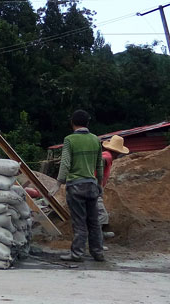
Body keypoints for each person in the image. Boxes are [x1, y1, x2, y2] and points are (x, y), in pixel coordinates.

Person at [56, 109, 105, 262]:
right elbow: (99, 165)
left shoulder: (69, 140)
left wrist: (59, 182)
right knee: (94, 221)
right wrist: (100, 184)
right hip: (92, 185)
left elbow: (65, 163)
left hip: (76, 186)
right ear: (87, 123)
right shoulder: (96, 140)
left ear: (72, 123)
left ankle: (77, 254)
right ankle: (98, 252)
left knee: (79, 222)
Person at [97, 135, 130, 238]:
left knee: (96, 214)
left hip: (94, 186)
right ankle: (96, 239)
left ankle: (98, 235)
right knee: (102, 215)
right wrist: (98, 183)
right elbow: (99, 163)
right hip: (94, 187)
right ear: (117, 152)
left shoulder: (106, 156)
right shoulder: (107, 156)